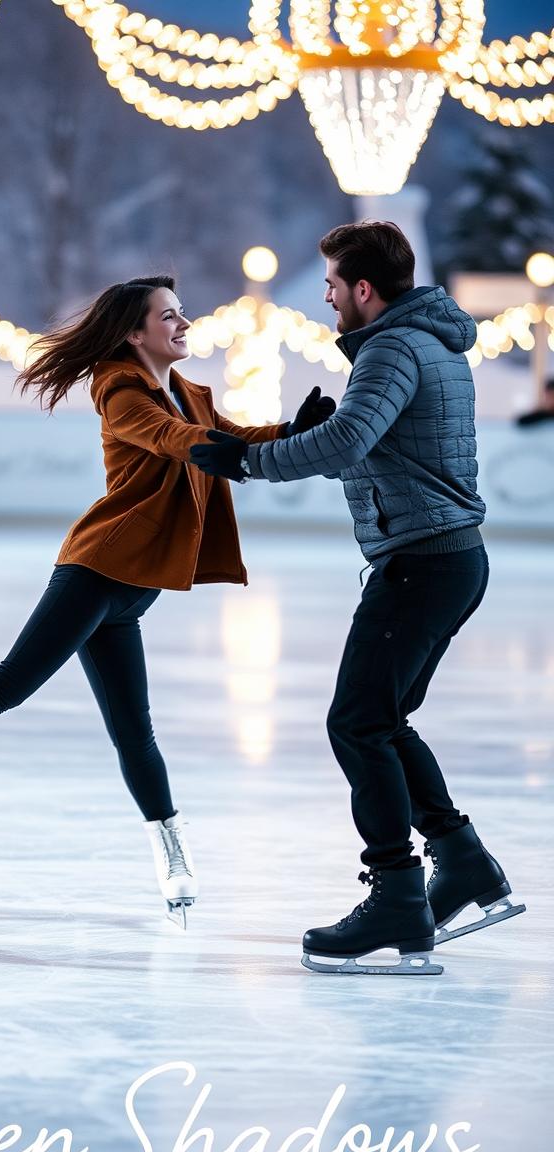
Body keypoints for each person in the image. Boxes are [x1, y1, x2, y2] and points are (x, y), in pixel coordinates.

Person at [0, 275, 333, 929]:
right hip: (98, 568)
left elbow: (234, 433)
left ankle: (171, 854)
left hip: (133, 589)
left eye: (182, 313)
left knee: (133, 730)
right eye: (168, 316)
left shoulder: (192, 392)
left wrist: (293, 430)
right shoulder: (119, 388)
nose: (184, 324)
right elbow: (168, 438)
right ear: (134, 333)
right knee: (10, 685)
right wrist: (213, 451)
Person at [191, 222, 525, 973]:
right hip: (448, 558)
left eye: (335, 286)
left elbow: (347, 445)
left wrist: (248, 461)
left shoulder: (391, 347)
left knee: (357, 724)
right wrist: (317, 432)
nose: (329, 298)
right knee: (382, 720)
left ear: (364, 290)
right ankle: (462, 863)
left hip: (423, 564)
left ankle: (398, 895)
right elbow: (385, 448)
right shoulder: (425, 342)